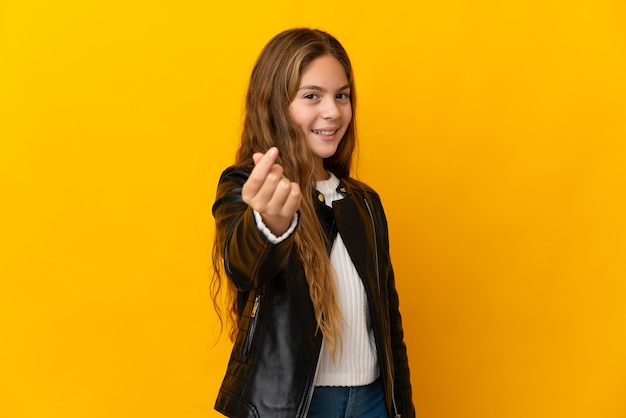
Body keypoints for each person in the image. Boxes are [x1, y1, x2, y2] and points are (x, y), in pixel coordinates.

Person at [211, 28, 415, 418]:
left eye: (342, 95)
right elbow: (241, 267)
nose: (333, 112)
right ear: (276, 105)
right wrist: (268, 223)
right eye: (311, 96)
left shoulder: (364, 202)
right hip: (293, 407)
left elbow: (390, 323)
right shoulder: (243, 185)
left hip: (372, 403)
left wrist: (401, 409)